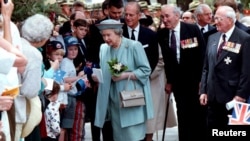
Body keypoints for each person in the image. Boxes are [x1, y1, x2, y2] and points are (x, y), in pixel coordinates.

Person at [94, 19, 154, 141]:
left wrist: (125, 75)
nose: (106, 39)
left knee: (134, 137)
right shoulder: (104, 48)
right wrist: (97, 76)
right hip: (113, 102)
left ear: (118, 33)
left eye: (108, 35)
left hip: (131, 99)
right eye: (103, 35)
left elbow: (146, 70)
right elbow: (104, 70)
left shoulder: (134, 46)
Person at [157, 4, 206, 141]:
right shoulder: (162, 34)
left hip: (195, 81)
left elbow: (202, 55)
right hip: (178, 83)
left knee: (197, 114)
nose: (164, 19)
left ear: (177, 16)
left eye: (167, 16)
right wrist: (169, 81)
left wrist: (202, 80)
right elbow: (165, 60)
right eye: (162, 17)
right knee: (182, 114)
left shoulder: (191, 29)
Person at [200, 5, 250, 130]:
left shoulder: (244, 39)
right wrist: (203, 90)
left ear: (230, 19)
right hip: (213, 98)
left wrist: (241, 95)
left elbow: (247, 71)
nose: (214, 21)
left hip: (234, 97)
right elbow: (206, 67)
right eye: (214, 18)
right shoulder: (212, 37)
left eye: (218, 18)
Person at [20, 13, 54, 141]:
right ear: (43, 38)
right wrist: (44, 82)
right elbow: (30, 91)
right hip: (24, 110)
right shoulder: (33, 53)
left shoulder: (18, 43)